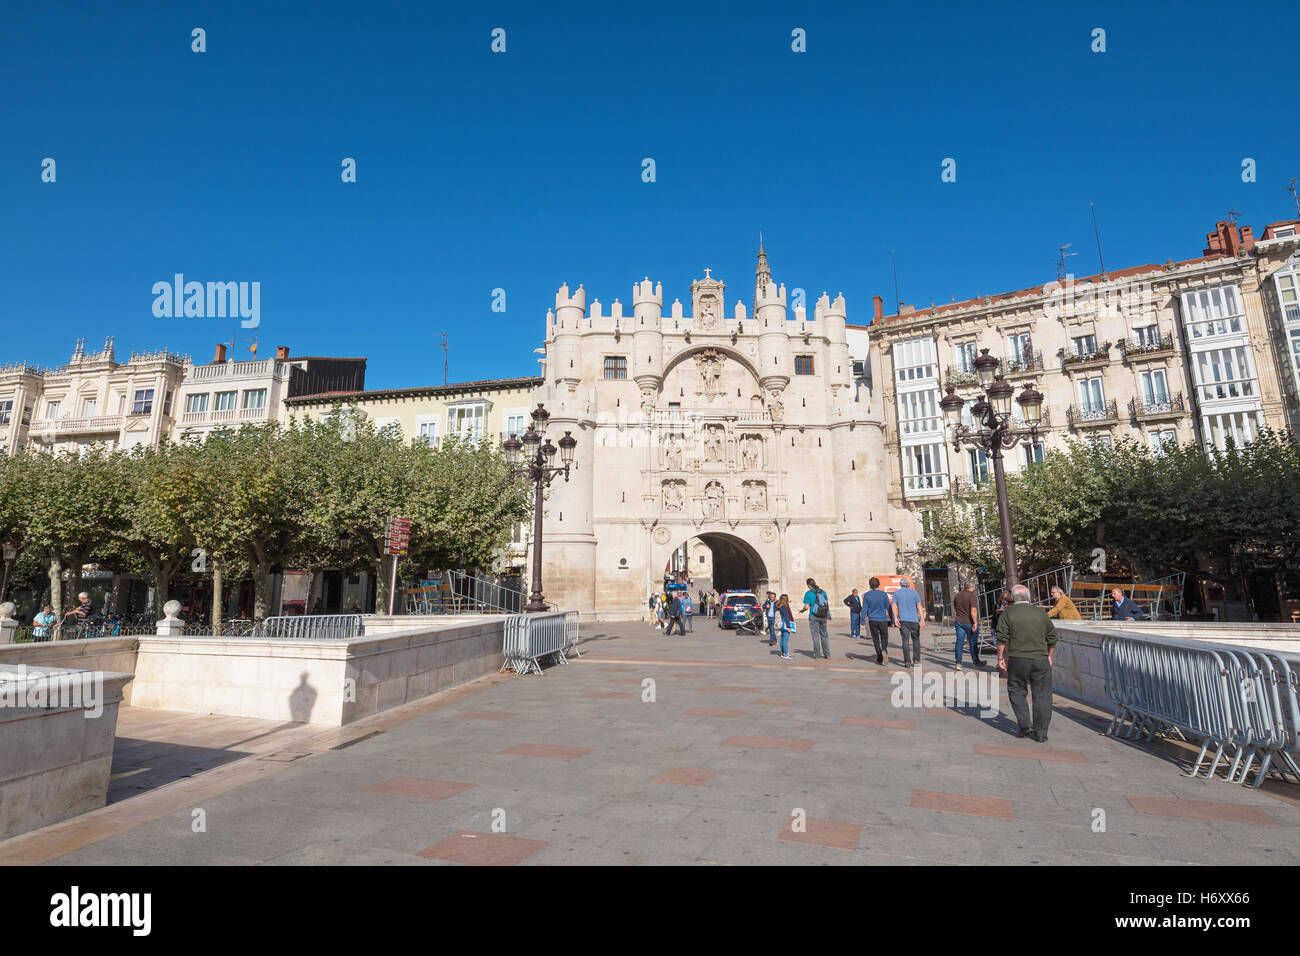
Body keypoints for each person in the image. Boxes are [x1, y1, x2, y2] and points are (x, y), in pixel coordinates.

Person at [996, 583, 1058, 743]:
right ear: (1029, 597)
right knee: (1043, 695)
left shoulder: (1007, 614)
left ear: (1013, 598)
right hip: (1041, 659)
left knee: (1016, 690)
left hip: (1018, 659)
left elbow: (1002, 638)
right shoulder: (1040, 613)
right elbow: (1052, 637)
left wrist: (1000, 658)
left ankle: (1025, 725)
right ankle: (1041, 733)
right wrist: (1049, 655)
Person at [891, 576, 924, 667]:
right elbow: (919, 606)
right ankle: (916, 660)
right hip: (914, 620)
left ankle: (907, 661)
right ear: (909, 584)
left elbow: (893, 605)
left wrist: (895, 618)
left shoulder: (897, 593)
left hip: (903, 620)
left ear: (900, 584)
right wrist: (922, 619)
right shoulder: (914, 593)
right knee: (916, 640)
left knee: (905, 641)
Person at [800, 577, 831, 660]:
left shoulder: (808, 593)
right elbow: (826, 604)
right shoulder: (823, 591)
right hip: (823, 616)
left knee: (815, 636)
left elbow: (806, 607)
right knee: (824, 635)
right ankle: (827, 654)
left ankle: (817, 654)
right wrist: (828, 615)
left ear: (809, 585)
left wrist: (801, 611)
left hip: (813, 616)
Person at [953, 582, 982, 670]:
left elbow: (955, 607)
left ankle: (958, 663)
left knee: (959, 642)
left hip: (959, 621)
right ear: (971, 587)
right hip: (969, 622)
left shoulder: (957, 595)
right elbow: (973, 610)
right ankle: (976, 662)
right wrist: (975, 622)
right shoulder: (972, 596)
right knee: (972, 642)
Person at [862, 577, 891, 664]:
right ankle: (884, 649)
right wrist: (893, 620)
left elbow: (864, 609)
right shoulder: (883, 594)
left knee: (875, 638)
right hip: (882, 619)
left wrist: (862, 622)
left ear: (870, 585)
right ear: (879, 584)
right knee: (884, 636)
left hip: (872, 619)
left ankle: (879, 656)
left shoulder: (867, 595)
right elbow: (888, 607)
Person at [776, 594, 795, 660]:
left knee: (782, 639)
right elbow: (787, 617)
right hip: (786, 624)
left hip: (781, 624)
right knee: (785, 639)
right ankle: (786, 654)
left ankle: (783, 653)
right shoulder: (785, 607)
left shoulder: (779, 606)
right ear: (786, 599)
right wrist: (789, 627)